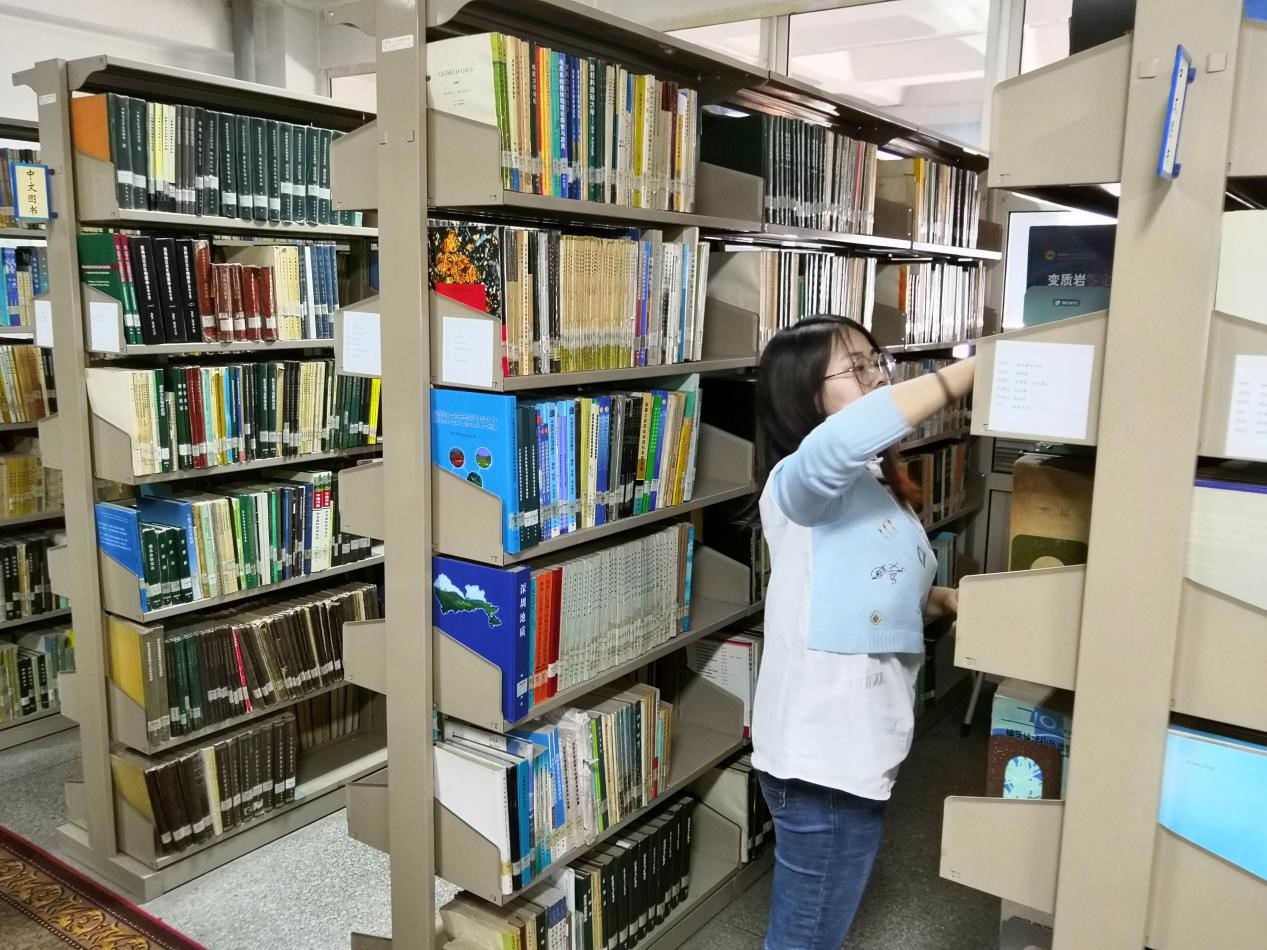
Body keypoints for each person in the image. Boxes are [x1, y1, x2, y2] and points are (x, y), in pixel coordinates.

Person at [749, 314, 976, 949]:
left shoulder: (875, 482)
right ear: (804, 394)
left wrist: (943, 600)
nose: (877, 376)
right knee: (805, 938)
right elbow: (837, 445)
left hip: (859, 745)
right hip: (823, 757)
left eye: (878, 362)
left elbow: (872, 593)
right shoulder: (800, 481)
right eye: (855, 368)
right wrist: (969, 373)